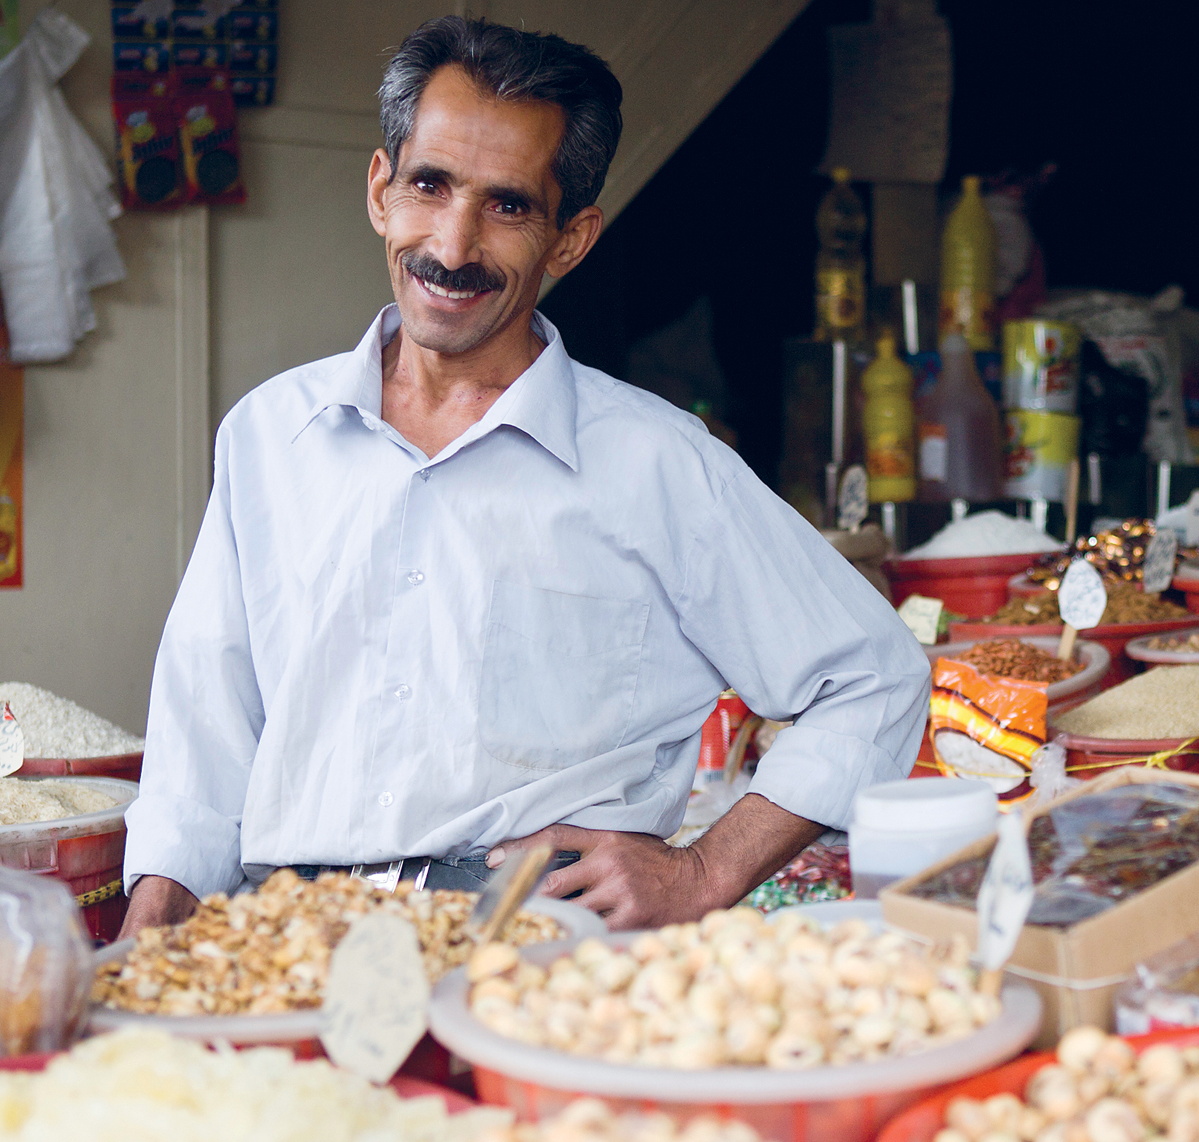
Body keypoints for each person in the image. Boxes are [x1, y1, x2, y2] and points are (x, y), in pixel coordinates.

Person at [119, 16, 929, 937]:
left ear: (571, 239)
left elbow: (873, 677)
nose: (453, 247)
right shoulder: (269, 437)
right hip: (285, 936)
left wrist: (704, 871)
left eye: (507, 206)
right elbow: (204, 728)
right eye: (429, 185)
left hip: (532, 944)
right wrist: (152, 940)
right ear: (381, 191)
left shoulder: (659, 463)